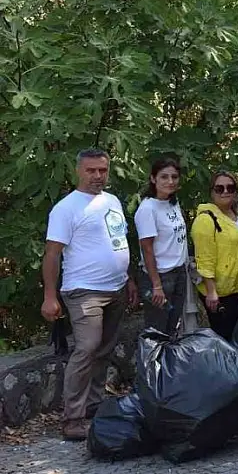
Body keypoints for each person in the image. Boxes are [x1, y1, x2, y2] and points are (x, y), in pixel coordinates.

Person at [42, 149, 138, 440]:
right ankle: (72, 418)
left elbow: (117, 240)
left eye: (102, 170)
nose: (98, 176)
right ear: (78, 172)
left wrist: (129, 279)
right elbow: (52, 254)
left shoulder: (112, 201)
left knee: (105, 349)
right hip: (84, 290)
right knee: (87, 348)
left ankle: (94, 406)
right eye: (91, 170)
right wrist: (49, 295)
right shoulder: (66, 208)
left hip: (116, 287)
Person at [193, 171, 238, 341]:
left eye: (230, 188)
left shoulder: (236, 215)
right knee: (222, 338)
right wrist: (211, 291)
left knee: (234, 336)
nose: (225, 191)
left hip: (236, 289)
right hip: (219, 293)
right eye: (219, 188)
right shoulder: (206, 220)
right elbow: (204, 259)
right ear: (212, 192)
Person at [134, 157, 189, 334]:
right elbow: (147, 249)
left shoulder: (172, 203)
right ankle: (151, 362)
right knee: (157, 332)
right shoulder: (148, 209)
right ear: (153, 179)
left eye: (174, 177)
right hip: (160, 278)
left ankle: (168, 362)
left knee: (172, 328)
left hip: (179, 272)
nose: (170, 181)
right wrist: (156, 285)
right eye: (164, 177)